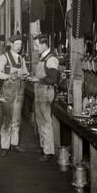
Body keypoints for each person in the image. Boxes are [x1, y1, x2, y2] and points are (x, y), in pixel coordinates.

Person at [0, 34, 29, 157]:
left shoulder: (21, 58)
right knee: (7, 119)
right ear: (11, 44)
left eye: (21, 44)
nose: (19, 46)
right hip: (7, 91)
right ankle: (5, 146)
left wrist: (25, 75)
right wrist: (9, 76)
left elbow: (25, 72)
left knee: (17, 119)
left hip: (19, 91)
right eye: (17, 44)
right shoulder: (3, 58)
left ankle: (15, 143)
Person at [26, 34, 60, 162]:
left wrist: (37, 79)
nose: (35, 48)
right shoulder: (43, 57)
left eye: (36, 45)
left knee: (45, 122)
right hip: (40, 92)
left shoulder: (51, 59)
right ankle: (44, 147)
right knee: (40, 121)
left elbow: (53, 78)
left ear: (44, 44)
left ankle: (49, 151)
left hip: (45, 93)